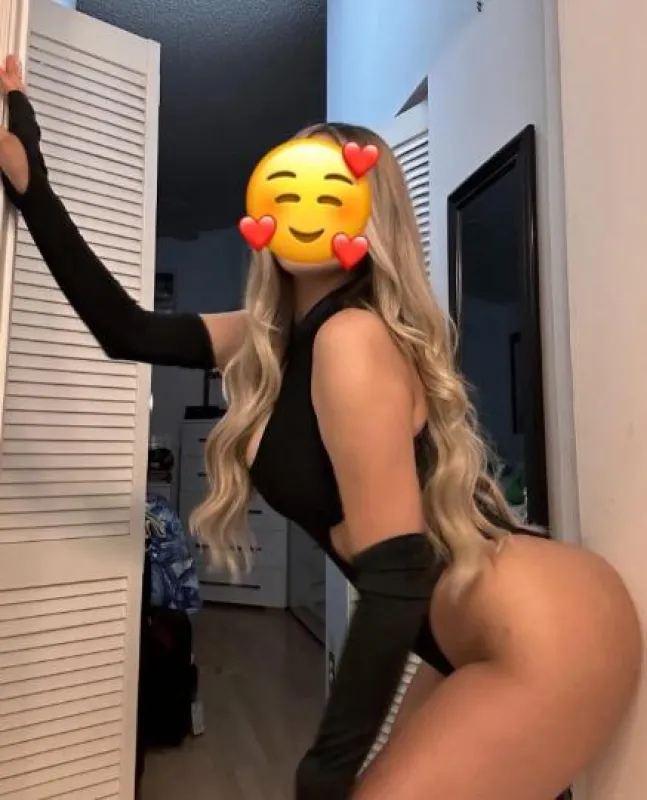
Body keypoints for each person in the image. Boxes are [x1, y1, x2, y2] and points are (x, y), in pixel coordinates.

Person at [0, 54, 641, 800]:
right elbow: (125, 330)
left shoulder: (351, 338)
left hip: (541, 632)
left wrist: (323, 772)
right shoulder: (272, 334)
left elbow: (397, 570)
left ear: (363, 218)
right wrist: (29, 170)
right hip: (463, 635)